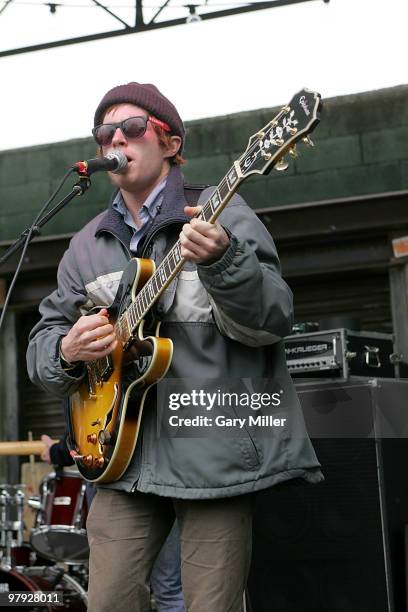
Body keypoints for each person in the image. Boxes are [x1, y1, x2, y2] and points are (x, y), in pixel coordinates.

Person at [27, 81, 323, 612]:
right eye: (105, 132)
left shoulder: (222, 212)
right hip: (122, 455)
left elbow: (273, 319)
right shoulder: (85, 244)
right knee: (110, 601)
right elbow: (43, 345)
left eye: (132, 127)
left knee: (209, 604)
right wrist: (67, 350)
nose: (116, 137)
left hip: (212, 449)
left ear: (169, 142)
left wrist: (223, 261)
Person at [40, 432, 185, 612]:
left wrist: (58, 452)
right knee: (169, 588)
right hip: (167, 471)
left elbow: (91, 426)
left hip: (122, 475)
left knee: (119, 588)